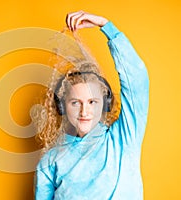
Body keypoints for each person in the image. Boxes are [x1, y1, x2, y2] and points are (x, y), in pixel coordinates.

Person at [34, 10, 149, 200]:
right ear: (62, 106)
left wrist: (106, 26)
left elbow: (137, 79)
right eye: (75, 103)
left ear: (104, 104)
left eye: (92, 102)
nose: (84, 111)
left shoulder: (123, 139)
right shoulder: (50, 161)